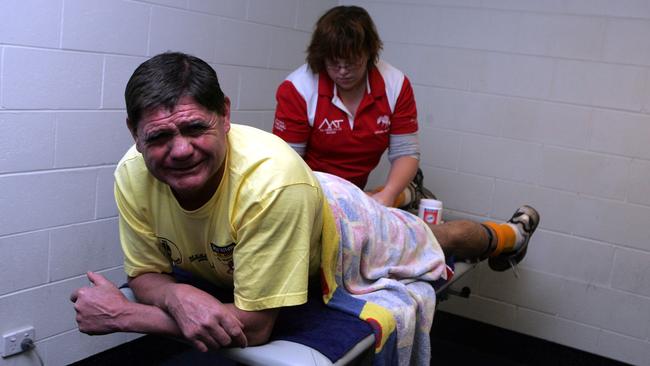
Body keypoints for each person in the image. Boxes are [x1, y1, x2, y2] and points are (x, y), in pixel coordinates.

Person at [70, 52, 539, 363]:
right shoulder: (131, 174)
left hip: (344, 222)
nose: (179, 150)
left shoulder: (273, 184)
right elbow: (147, 274)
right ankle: (409, 200)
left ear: (226, 115)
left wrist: (125, 316)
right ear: (133, 132)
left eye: (195, 128)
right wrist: (178, 295)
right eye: (158, 137)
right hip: (291, 202)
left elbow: (254, 329)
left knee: (437, 240)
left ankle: (510, 236)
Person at [273, 5, 420, 207]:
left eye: (351, 63)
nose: (342, 71)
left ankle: (413, 191)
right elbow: (288, 164)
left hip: (356, 193)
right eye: (333, 63)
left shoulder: (395, 84)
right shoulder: (298, 88)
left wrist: (389, 194)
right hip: (308, 189)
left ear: (369, 53)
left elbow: (405, 152)